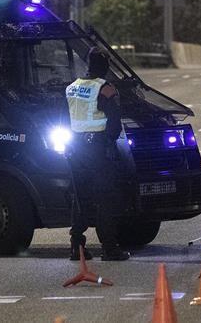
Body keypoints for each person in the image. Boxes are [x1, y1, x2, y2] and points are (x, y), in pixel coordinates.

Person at [65, 49, 130, 261]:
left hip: (75, 148)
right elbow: (114, 122)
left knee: (80, 196)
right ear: (105, 67)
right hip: (97, 149)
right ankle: (109, 248)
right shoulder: (105, 89)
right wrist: (110, 143)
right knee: (105, 197)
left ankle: (77, 246)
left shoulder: (72, 87)